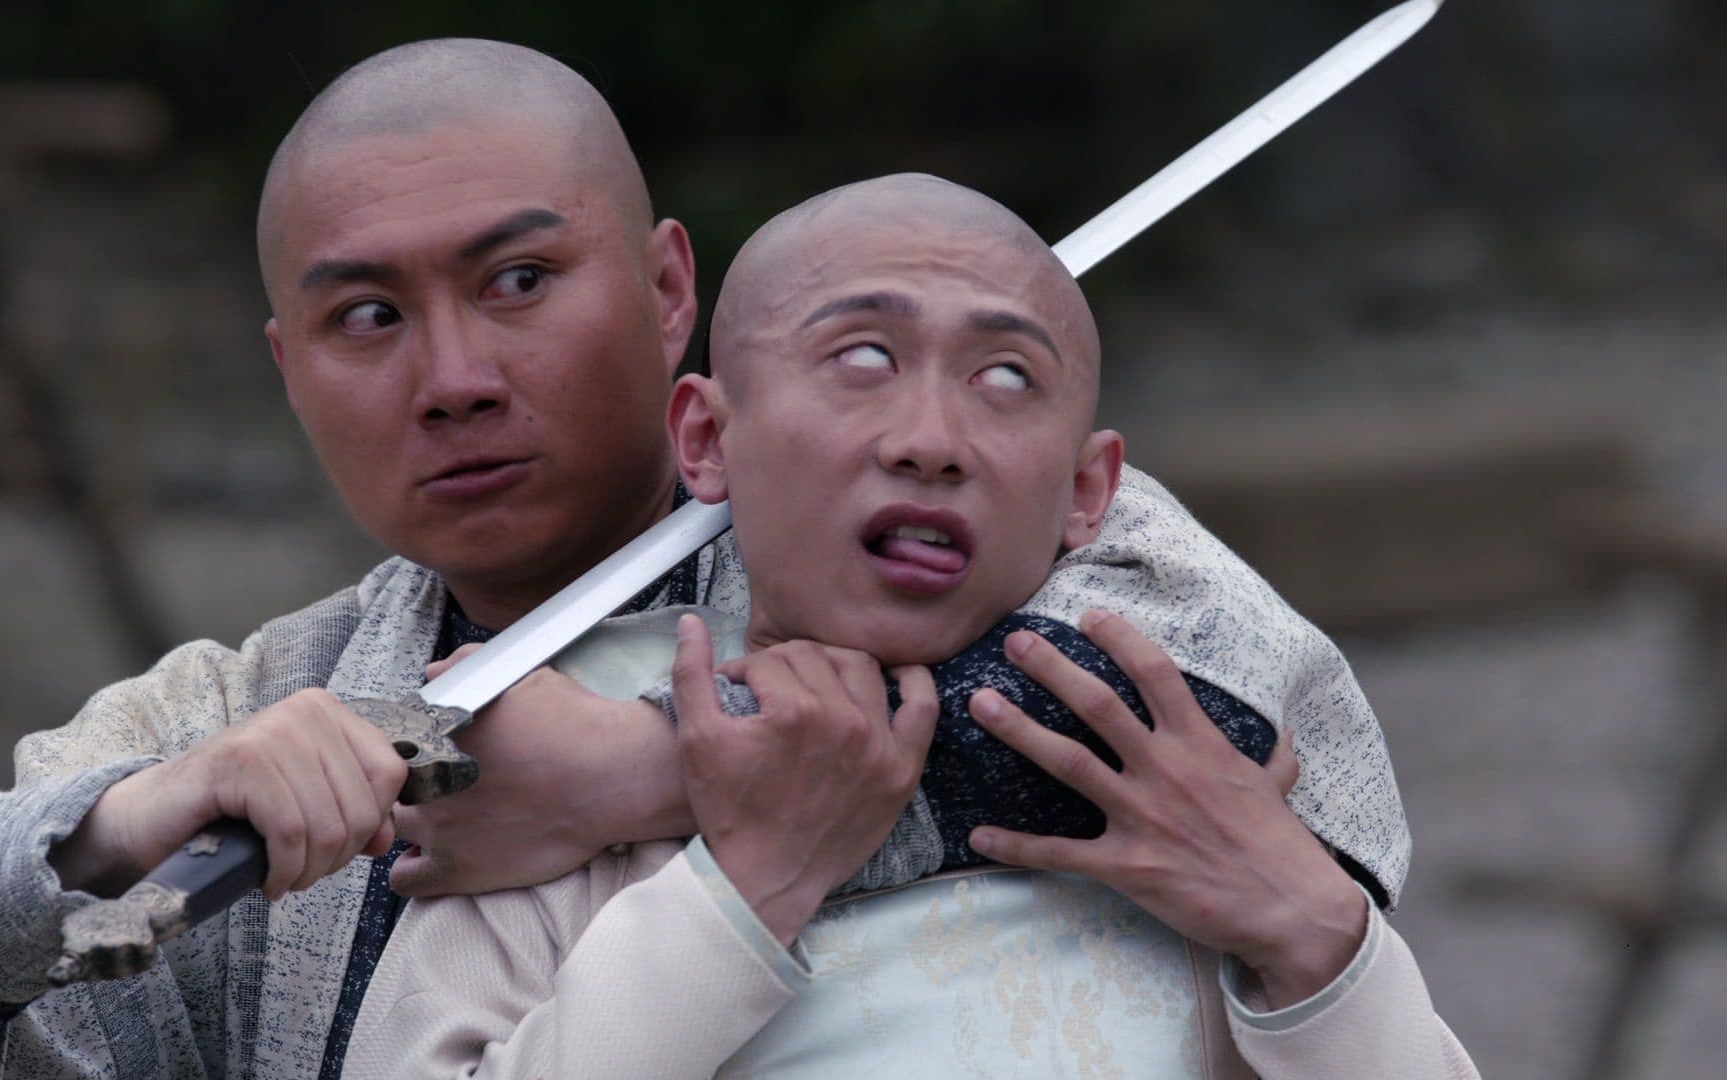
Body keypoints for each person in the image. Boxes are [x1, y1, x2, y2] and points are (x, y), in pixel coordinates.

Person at [0, 41, 1405, 1077]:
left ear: (664, 295)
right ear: (289, 370)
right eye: (368, 317)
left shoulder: (955, 509)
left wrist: (646, 774)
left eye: (519, 281)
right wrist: (108, 838)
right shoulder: (264, 716)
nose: (453, 378)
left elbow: (1251, 741)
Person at [342, 173, 1475, 1079]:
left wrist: (1317, 945)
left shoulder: (1163, 758)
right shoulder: (547, 754)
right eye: (865, 359)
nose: (930, 440)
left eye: (1005, 379)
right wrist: (741, 891)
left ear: (1087, 493)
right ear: (707, 440)